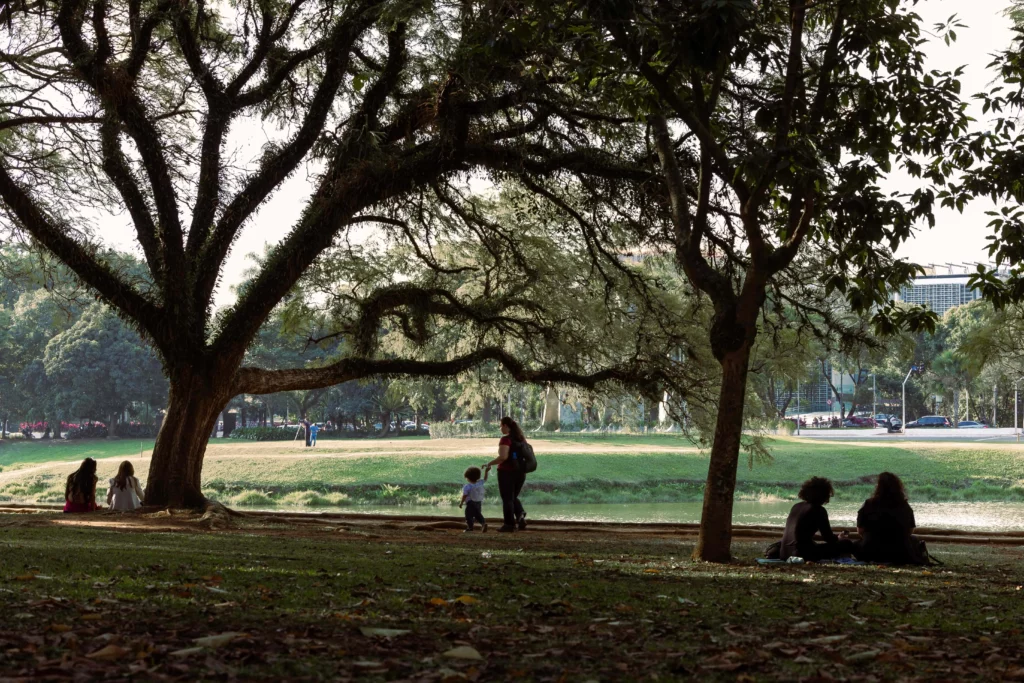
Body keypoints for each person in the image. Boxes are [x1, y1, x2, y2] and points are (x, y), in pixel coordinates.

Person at [780, 476, 852, 561]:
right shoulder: (818, 510)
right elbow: (828, 538)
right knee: (846, 543)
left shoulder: (796, 506)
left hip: (784, 554)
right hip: (802, 555)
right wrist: (839, 538)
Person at [853, 472, 920, 564]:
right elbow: (910, 530)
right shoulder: (905, 506)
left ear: (878, 487)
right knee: (914, 539)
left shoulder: (868, 504)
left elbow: (860, 530)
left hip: (870, 552)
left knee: (855, 544)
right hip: (900, 553)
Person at [483, 416, 528, 532]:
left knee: (507, 499)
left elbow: (503, 457)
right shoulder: (521, 439)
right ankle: (520, 516)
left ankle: (509, 524)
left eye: (500, 426)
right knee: (513, 497)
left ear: (505, 426)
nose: (500, 428)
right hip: (521, 473)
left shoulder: (505, 440)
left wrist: (489, 463)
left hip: (506, 473)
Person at [459, 466, 488, 533]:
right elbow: (485, 479)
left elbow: (464, 495)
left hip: (470, 503)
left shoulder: (467, 486)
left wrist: (461, 503)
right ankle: (483, 523)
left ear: (468, 477)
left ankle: (470, 528)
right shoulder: (480, 483)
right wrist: (486, 471)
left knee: (468, 516)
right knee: (477, 514)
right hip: (478, 502)